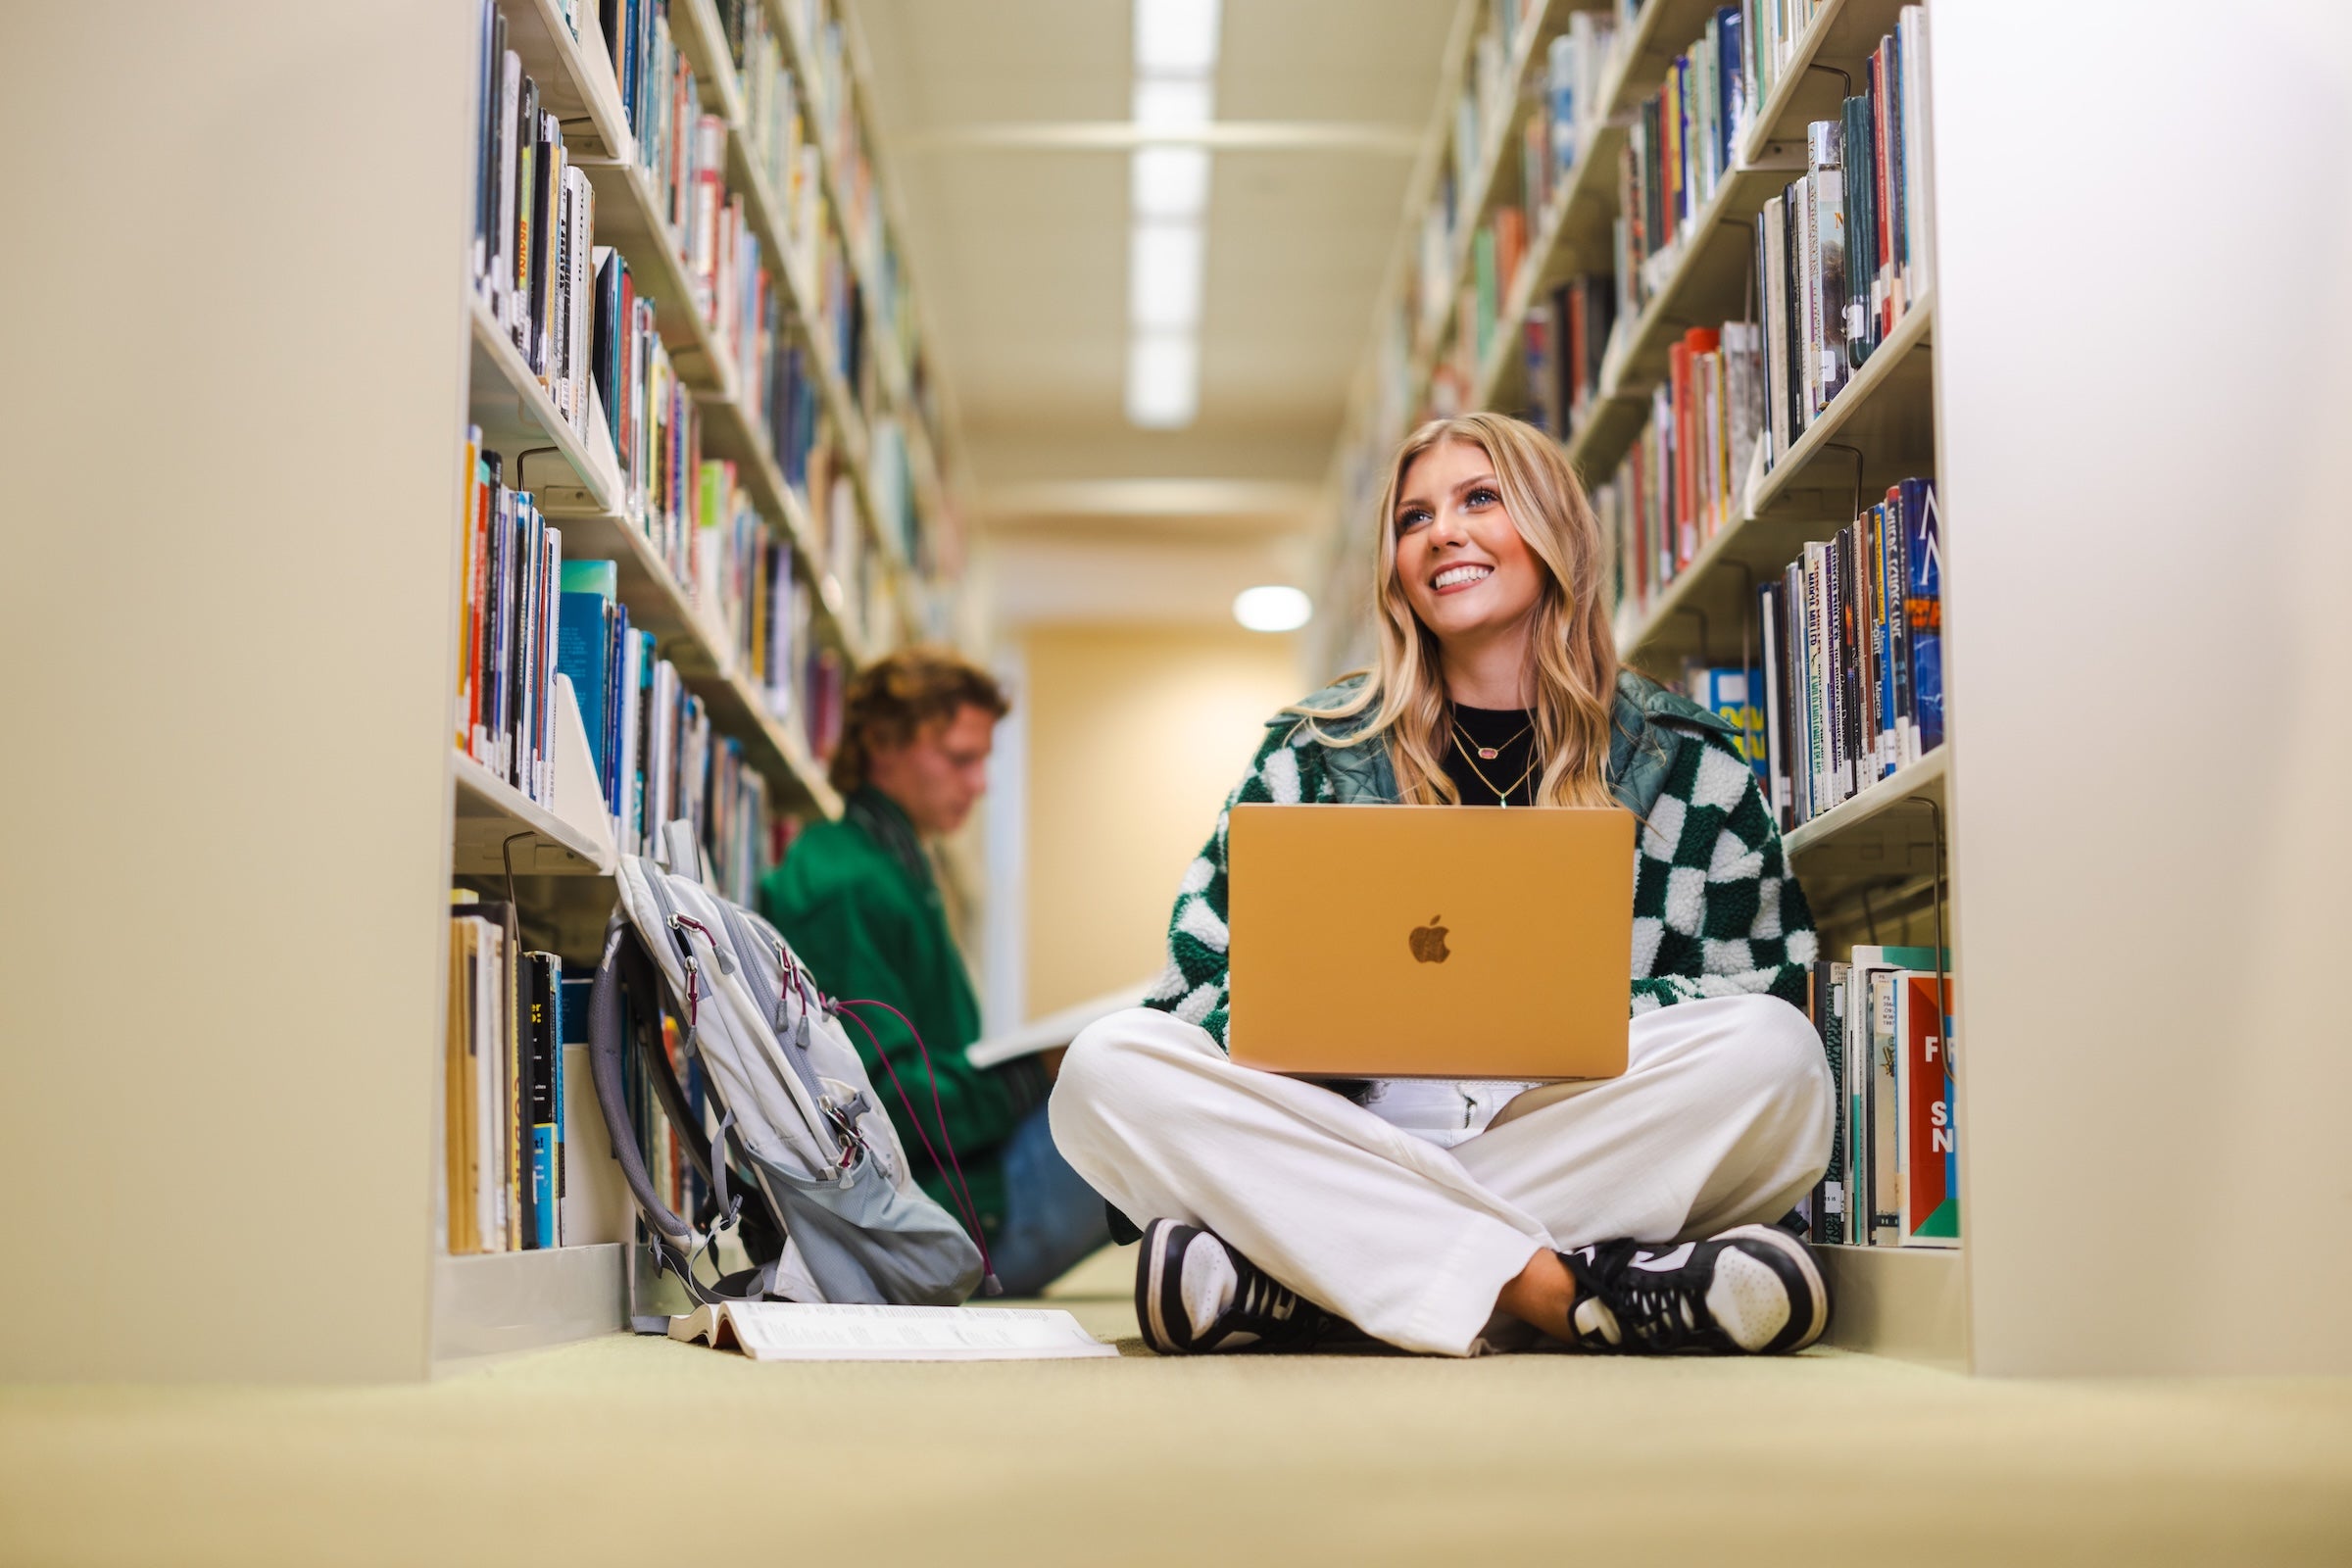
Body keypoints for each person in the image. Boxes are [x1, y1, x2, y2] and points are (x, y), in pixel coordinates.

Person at [1049, 413, 1834, 1358]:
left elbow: (1762, 986)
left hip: (1568, 1120)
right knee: (1105, 1067)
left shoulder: (1685, 764)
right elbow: (1192, 988)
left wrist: (1570, 1018)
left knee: (1776, 1056)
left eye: (1479, 500)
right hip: (1348, 1120)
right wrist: (1325, 1030)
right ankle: (1556, 1288)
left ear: (1557, 531)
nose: (1441, 533)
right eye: (1413, 517)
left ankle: (1302, 1275)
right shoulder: (1312, 752)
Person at [760, 647, 1109, 1296]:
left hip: (959, 1190)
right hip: (952, 1221)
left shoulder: (889, 865)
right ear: (882, 746)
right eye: (960, 759)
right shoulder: (846, 883)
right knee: (1146, 1111)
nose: (980, 783)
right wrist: (1034, 1075)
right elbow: (886, 1106)